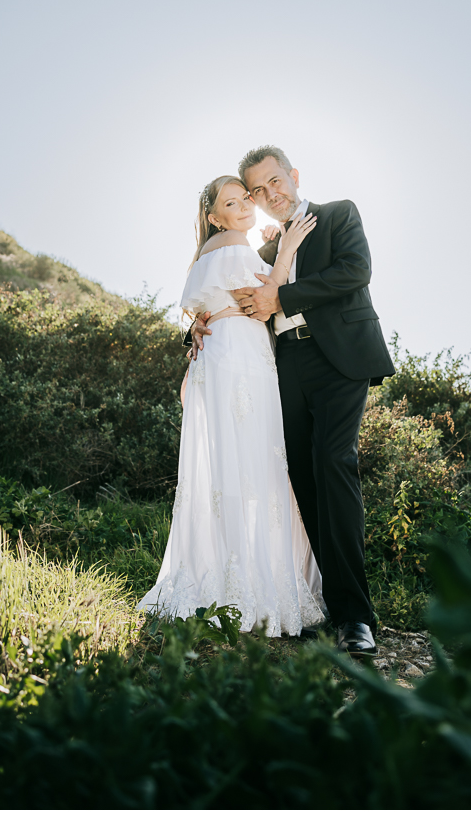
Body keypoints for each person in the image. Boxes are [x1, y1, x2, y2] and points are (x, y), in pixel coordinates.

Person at [190, 146, 395, 657]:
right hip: (284, 369)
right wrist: (196, 326)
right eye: (257, 190)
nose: (269, 194)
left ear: (294, 176)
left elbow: (355, 271)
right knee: (299, 479)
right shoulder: (261, 251)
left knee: (333, 462)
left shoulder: (338, 214)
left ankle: (355, 617)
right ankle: (318, 603)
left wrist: (283, 297)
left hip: (340, 359)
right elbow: (227, 295)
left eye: (275, 181)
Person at [136, 175, 326, 637]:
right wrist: (285, 246)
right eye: (230, 202)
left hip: (239, 354)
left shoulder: (228, 248)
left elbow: (222, 303)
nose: (243, 206)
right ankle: (246, 581)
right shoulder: (229, 244)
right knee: (250, 464)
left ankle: (238, 573)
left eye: (245, 198)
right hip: (236, 359)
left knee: (241, 464)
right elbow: (264, 296)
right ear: (214, 217)